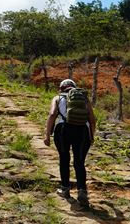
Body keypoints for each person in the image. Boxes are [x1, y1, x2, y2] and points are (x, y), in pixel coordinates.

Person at [43, 78, 96, 206]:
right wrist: (91, 135)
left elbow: (52, 114)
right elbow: (92, 118)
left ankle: (65, 188)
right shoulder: (83, 98)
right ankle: (82, 191)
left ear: (61, 88)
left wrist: (47, 135)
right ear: (74, 88)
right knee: (79, 161)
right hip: (82, 130)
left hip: (62, 129)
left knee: (64, 158)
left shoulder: (58, 98)